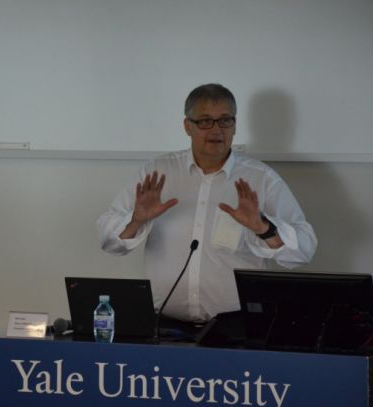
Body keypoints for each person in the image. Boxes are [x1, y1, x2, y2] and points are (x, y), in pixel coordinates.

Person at [97, 83, 317, 329]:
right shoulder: (156, 174)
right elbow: (109, 242)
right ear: (187, 126)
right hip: (164, 325)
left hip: (237, 327)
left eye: (225, 120)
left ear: (234, 125)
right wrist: (136, 221)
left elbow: (304, 250)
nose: (216, 129)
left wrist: (264, 228)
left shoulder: (261, 179)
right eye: (205, 121)